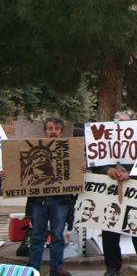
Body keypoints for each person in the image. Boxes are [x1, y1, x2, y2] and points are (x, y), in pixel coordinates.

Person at [0, 117, 84, 276]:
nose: (54, 131)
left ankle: (56, 268)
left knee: (58, 235)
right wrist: (6, 175)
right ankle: (33, 269)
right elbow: (17, 173)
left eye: (57, 128)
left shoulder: (71, 151)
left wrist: (81, 169)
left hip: (60, 200)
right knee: (37, 236)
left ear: (61, 131)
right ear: (44, 131)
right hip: (38, 201)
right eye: (50, 128)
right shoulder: (31, 149)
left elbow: (75, 174)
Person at [91, 111, 137, 276]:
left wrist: (129, 174)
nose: (121, 125)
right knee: (110, 228)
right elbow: (95, 165)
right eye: (118, 122)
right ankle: (112, 267)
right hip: (110, 192)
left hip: (134, 189)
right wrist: (107, 169)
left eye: (124, 122)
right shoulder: (105, 141)